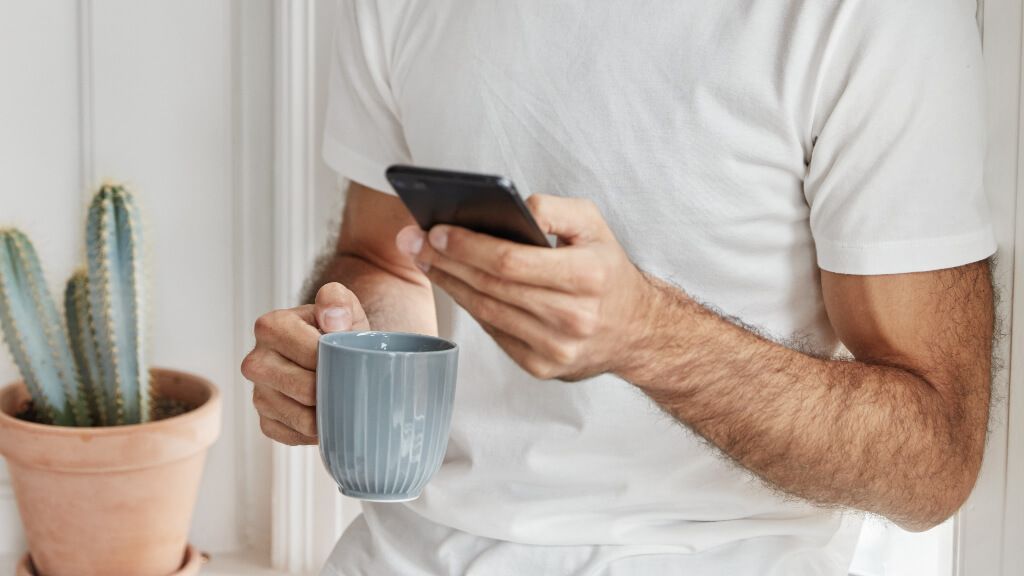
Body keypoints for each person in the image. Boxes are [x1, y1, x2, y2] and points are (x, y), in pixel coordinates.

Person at [241, 1, 995, 574]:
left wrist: (649, 337)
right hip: (406, 549)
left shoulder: (882, 18)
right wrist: (347, 347)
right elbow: (382, 254)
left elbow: (934, 459)